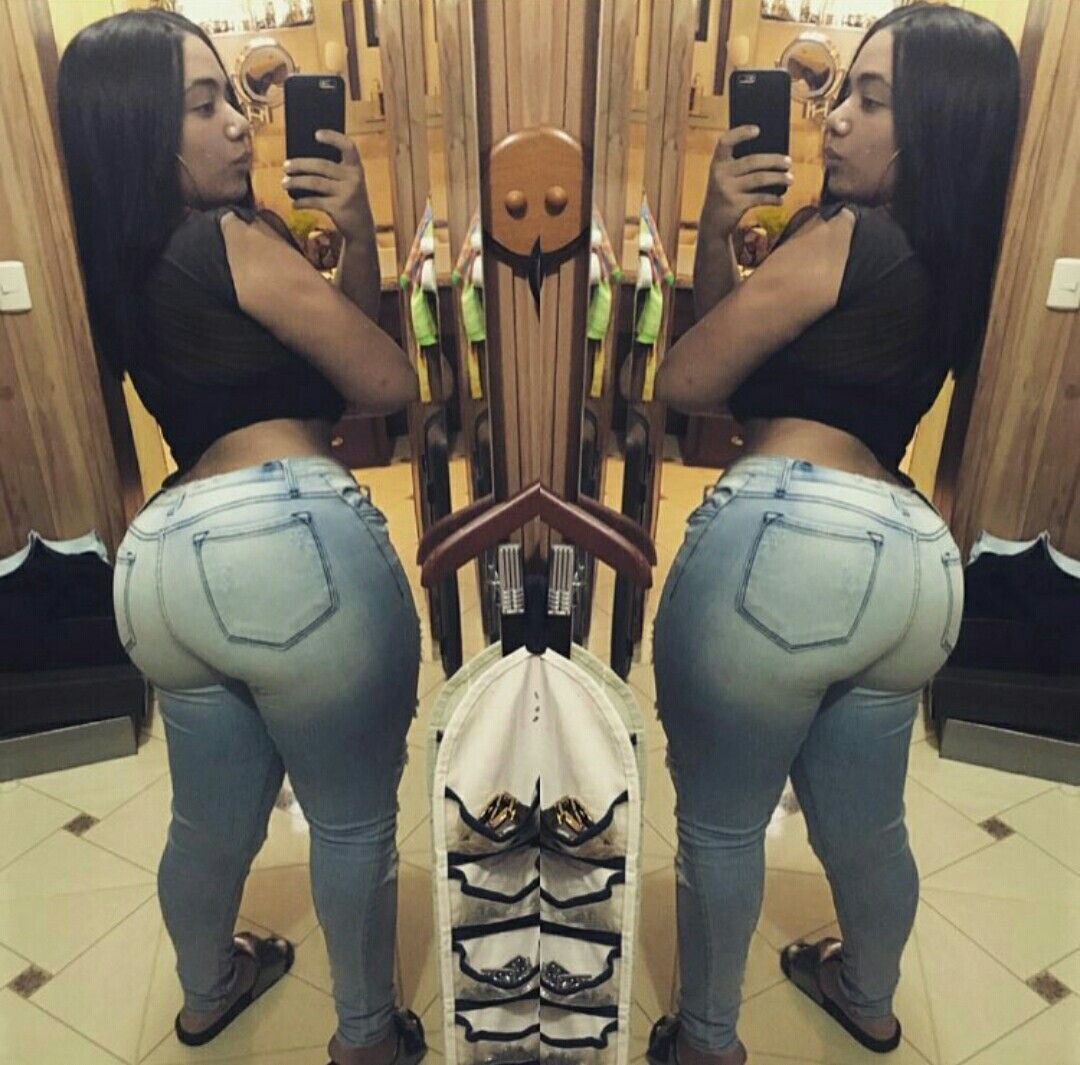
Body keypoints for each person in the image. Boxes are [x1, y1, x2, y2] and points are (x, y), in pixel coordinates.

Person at [647, 5, 1019, 1063]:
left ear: (937, 123)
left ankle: (706, 1039)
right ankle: (867, 996)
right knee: (869, 824)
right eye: (841, 91)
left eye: (873, 98)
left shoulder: (851, 237)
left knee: (723, 823)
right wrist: (726, 235)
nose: (835, 118)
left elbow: (690, 380)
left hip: (789, 540)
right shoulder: (960, 257)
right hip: (911, 564)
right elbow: (744, 366)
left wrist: (714, 227)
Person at [58, 12, 425, 1065]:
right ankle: (367, 1037)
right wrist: (358, 231)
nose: (240, 124)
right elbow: (383, 382)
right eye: (202, 103)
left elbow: (332, 369)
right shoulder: (225, 240)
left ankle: (207, 991)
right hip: (286, 539)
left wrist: (345, 239)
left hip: (165, 564)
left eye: (236, 97)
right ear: (138, 128)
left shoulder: (113, 263)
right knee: (349, 821)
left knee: (207, 822)